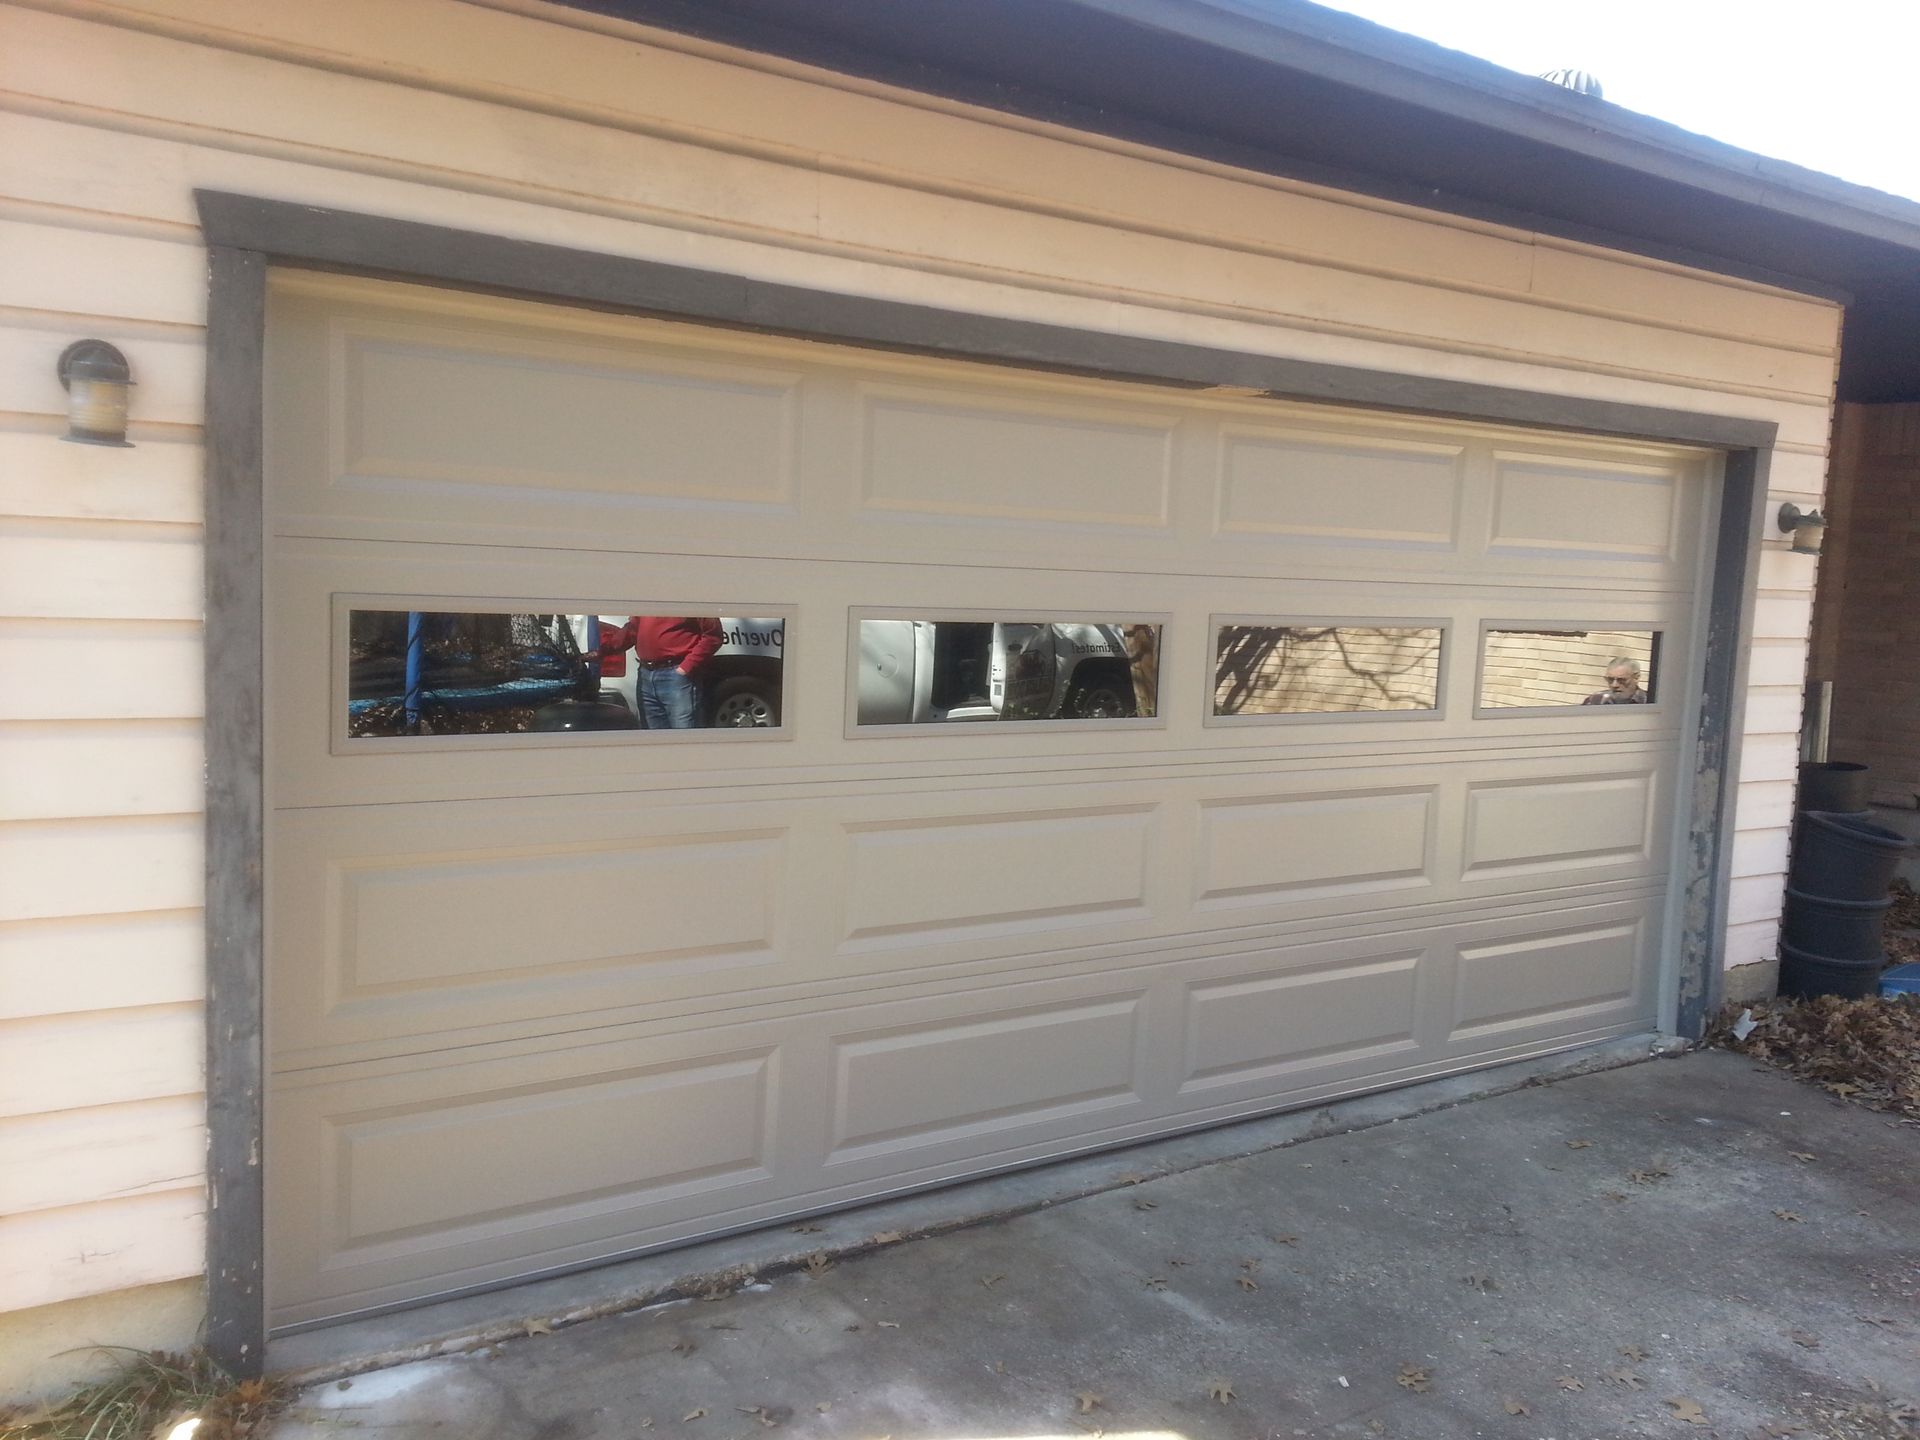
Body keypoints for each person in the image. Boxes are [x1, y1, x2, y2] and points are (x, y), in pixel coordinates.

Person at [594, 616, 724, 728]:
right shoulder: (648, 599)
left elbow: (713, 636)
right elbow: (632, 631)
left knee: (684, 737)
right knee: (654, 738)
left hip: (676, 677)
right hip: (646, 676)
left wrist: (686, 667)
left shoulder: (691, 597)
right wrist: (601, 651)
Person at [1583, 657, 1648, 705]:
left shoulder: (1649, 701)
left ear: (1636, 678)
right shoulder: (1595, 700)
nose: (1614, 685)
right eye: (1610, 679)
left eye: (1621, 680)